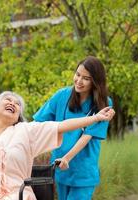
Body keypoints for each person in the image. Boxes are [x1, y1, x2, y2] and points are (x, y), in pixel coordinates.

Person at [33, 56, 112, 200]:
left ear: (95, 82)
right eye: (78, 74)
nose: (79, 81)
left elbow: (87, 136)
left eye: (86, 78)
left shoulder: (103, 103)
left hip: (83, 170)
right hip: (60, 167)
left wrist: (67, 158)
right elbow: (38, 123)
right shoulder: (62, 96)